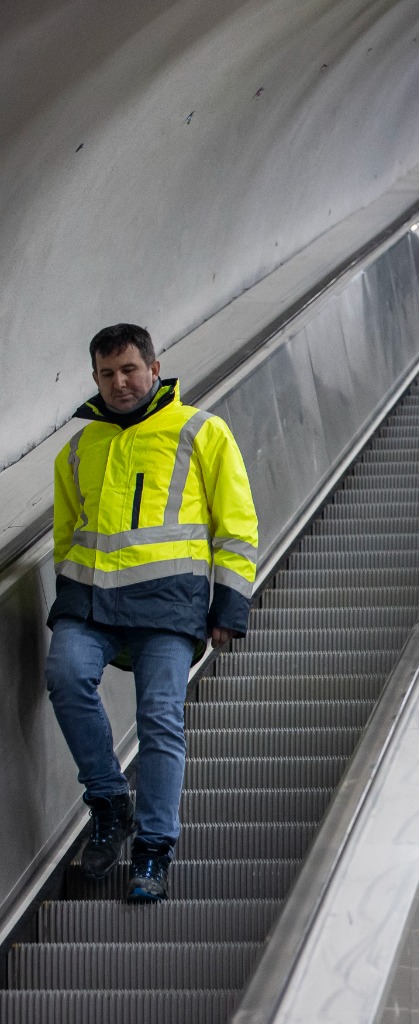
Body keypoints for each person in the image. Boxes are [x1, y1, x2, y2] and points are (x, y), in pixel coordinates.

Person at [47, 323, 259, 903]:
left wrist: (229, 603)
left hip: (169, 605)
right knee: (64, 677)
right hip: (89, 603)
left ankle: (153, 848)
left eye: (129, 370)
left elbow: (236, 525)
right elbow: (66, 533)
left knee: (160, 717)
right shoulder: (79, 447)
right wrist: (70, 593)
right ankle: (109, 799)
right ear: (94, 377)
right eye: (107, 373)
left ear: (154, 367)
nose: (119, 382)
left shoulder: (200, 431)